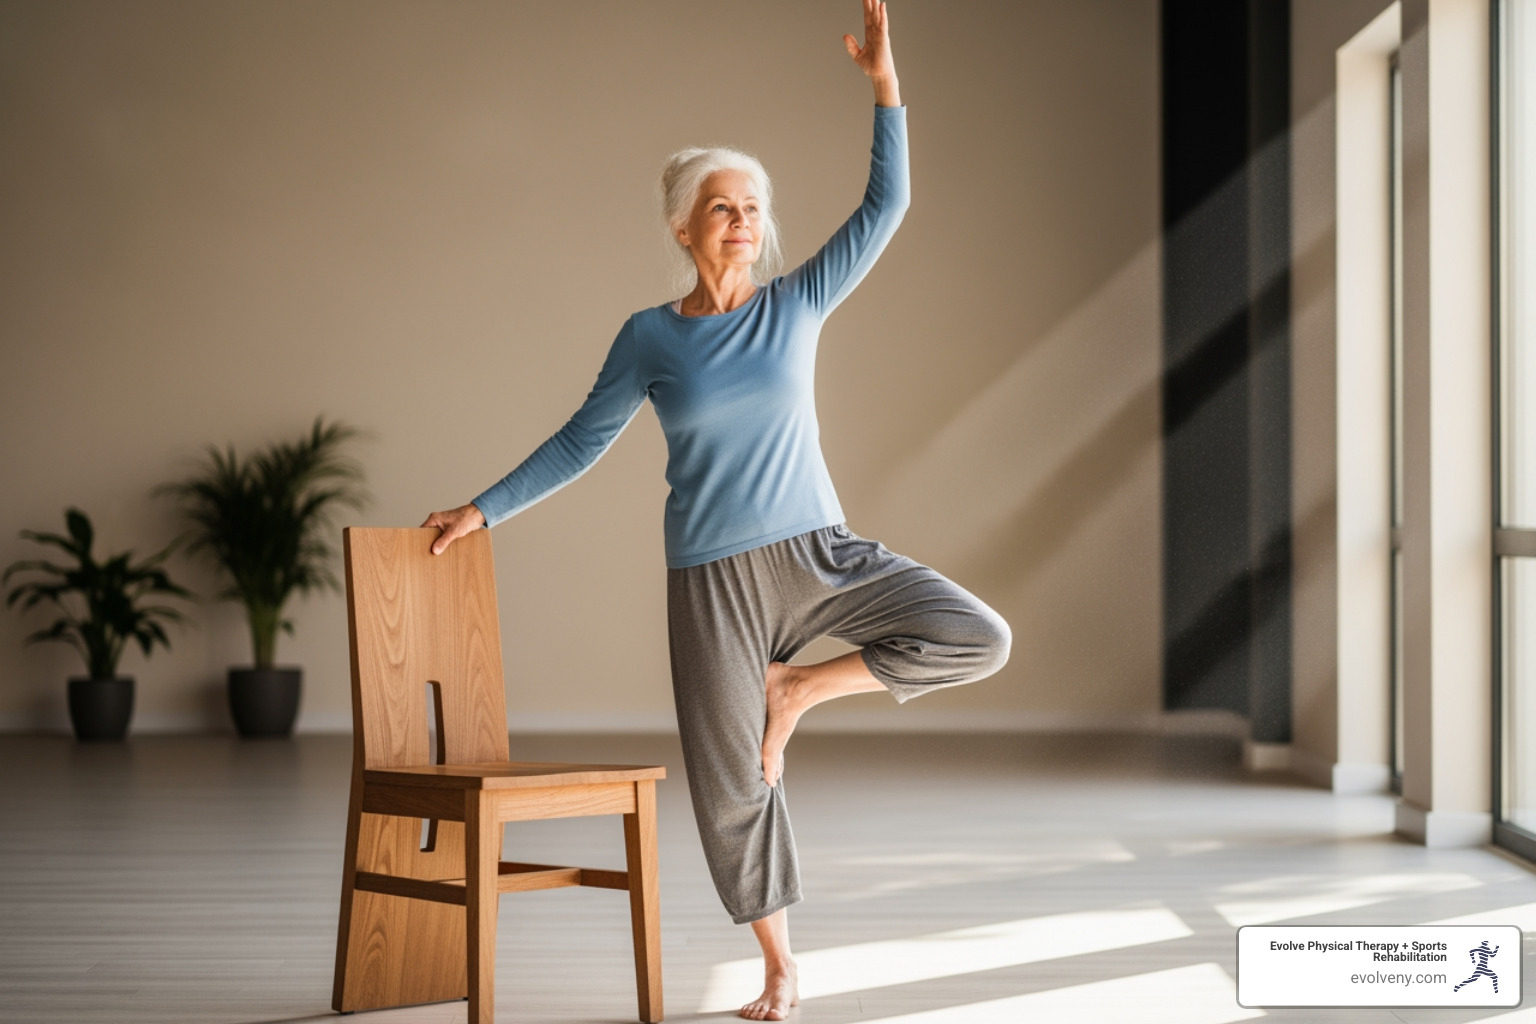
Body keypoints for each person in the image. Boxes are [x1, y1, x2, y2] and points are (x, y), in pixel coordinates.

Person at [422, 2, 1010, 1018]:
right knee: (733, 783)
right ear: (683, 224)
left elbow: (887, 204)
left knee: (977, 633)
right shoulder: (649, 337)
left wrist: (884, 84)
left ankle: (799, 693)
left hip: (819, 552)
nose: (742, 221)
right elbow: (579, 441)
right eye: (722, 207)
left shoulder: (796, 303)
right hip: (711, 582)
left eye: (751, 207)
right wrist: (484, 509)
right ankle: (781, 966)